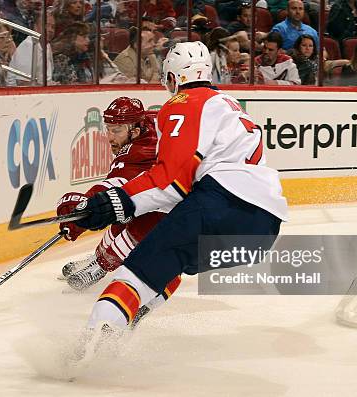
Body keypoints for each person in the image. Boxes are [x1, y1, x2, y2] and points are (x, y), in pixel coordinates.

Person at [69, 41, 287, 343]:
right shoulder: (229, 103)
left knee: (132, 275)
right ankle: (132, 314)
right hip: (263, 228)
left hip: (221, 203)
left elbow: (171, 180)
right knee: (168, 261)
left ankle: (88, 346)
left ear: (173, 77)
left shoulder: (183, 102)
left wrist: (112, 203)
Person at [56, 97, 181, 324]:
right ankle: (98, 261)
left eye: (117, 130)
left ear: (134, 130)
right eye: (109, 129)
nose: (110, 137)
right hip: (163, 193)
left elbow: (111, 186)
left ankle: (104, 266)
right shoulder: (151, 122)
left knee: (149, 241)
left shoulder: (136, 153)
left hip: (181, 201)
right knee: (123, 216)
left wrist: (81, 209)